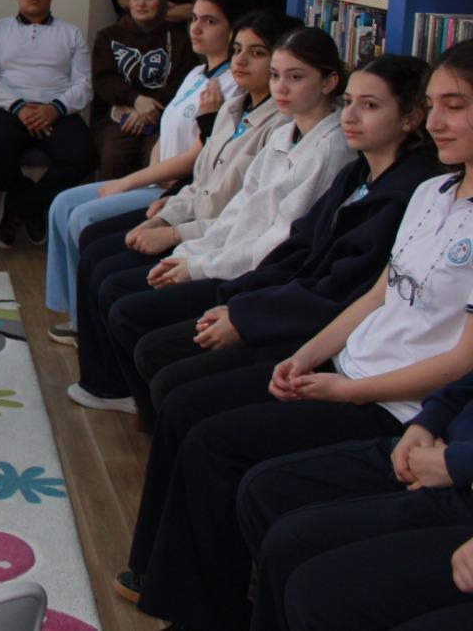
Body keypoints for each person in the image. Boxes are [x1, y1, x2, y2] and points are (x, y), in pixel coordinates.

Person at [123, 41, 473, 631]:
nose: (438, 120)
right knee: (192, 412)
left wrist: (346, 389)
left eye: (455, 106)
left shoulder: (406, 186)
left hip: (393, 403)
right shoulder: (431, 193)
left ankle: (198, 607)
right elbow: (375, 296)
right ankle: (182, 593)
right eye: (434, 104)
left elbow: (461, 360)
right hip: (344, 367)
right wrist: (308, 357)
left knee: (223, 451)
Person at [133, 54, 439, 416]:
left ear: (411, 117)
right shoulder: (359, 173)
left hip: (315, 332)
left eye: (369, 105)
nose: (349, 116)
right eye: (349, 102)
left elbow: (339, 291)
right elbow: (297, 244)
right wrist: (238, 299)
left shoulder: (406, 194)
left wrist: (246, 316)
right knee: (156, 353)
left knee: (173, 383)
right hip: (277, 303)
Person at [70, 26, 352, 418]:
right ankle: (127, 395)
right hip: (221, 250)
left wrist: (195, 262)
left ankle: (141, 406)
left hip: (256, 276)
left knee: (124, 303)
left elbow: (277, 240)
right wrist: (190, 251)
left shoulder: (330, 150)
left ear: (330, 82)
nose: (282, 87)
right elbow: (239, 209)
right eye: (277, 75)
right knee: (105, 264)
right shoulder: (285, 131)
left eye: (295, 76)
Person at [70, 11, 299, 343]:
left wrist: (173, 232)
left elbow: (242, 217)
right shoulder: (230, 107)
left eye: (257, 53)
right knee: (94, 248)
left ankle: (108, 369)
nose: (241, 61)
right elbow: (200, 182)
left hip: (214, 239)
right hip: (191, 218)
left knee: (111, 280)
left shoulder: (281, 127)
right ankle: (94, 360)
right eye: (237, 50)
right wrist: (164, 216)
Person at [42, 0, 250, 342]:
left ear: (233, 30)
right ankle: (77, 315)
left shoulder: (232, 86)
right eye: (194, 19)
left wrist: (130, 181)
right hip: (157, 178)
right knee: (62, 204)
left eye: (210, 21)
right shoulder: (197, 74)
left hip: (177, 188)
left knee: (84, 217)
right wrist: (145, 173)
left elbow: (199, 154)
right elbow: (167, 130)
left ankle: (89, 327)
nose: (196, 28)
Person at [242, 376, 473, 631]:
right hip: (441, 447)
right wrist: (426, 423)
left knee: (317, 590)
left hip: (455, 473)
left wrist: (457, 463)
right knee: (274, 510)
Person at [0, 0, 96, 247]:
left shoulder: (71, 33)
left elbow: (84, 84)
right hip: (8, 109)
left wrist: (55, 109)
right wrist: (18, 107)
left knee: (85, 155)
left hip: (57, 110)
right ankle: (29, 199)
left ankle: (23, 205)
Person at [89, 0, 193, 179]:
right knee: (114, 155)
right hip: (118, 115)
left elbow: (183, 83)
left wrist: (148, 108)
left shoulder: (179, 39)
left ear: (162, 1)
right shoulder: (109, 36)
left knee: (159, 158)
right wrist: (136, 100)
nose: (141, 3)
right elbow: (104, 80)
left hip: (162, 116)